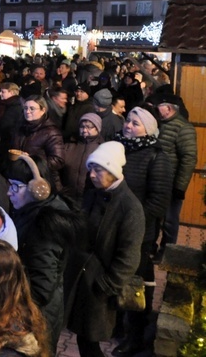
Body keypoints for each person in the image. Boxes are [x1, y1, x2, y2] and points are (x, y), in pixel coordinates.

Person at [66, 141, 145, 357]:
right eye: (91, 168)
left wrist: (105, 286)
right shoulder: (94, 194)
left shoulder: (130, 208)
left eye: (98, 169)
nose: (91, 174)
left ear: (113, 171)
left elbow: (128, 257)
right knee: (83, 338)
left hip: (99, 286)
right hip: (81, 278)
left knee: (90, 341)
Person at [4, 154, 82, 352]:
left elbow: (40, 287)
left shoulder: (44, 225)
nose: (8, 192)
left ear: (37, 189)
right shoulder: (35, 210)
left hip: (37, 316)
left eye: (15, 186)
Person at [112, 106, 171, 356]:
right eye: (128, 121)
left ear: (148, 129)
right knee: (114, 275)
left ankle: (135, 336)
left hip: (140, 231)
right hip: (112, 225)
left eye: (136, 124)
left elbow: (158, 201)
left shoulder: (157, 156)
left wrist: (132, 222)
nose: (128, 126)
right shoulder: (117, 148)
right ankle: (114, 326)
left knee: (137, 282)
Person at [154, 94, 197, 259]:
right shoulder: (162, 124)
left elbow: (189, 158)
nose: (156, 109)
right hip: (158, 181)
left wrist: (180, 187)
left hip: (172, 183)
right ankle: (152, 248)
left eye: (159, 106)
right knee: (156, 218)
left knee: (170, 221)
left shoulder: (183, 128)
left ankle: (167, 252)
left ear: (168, 107)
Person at [9, 95, 64, 191]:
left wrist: (32, 162)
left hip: (44, 182)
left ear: (43, 110)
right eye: (25, 108)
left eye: (32, 108)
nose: (27, 111)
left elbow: (58, 160)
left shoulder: (51, 132)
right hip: (23, 179)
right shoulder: (20, 128)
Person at [61, 113, 104, 201]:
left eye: (89, 127)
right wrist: (60, 188)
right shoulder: (70, 144)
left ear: (97, 128)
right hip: (66, 196)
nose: (84, 130)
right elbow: (58, 168)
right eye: (82, 126)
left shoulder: (102, 148)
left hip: (89, 199)